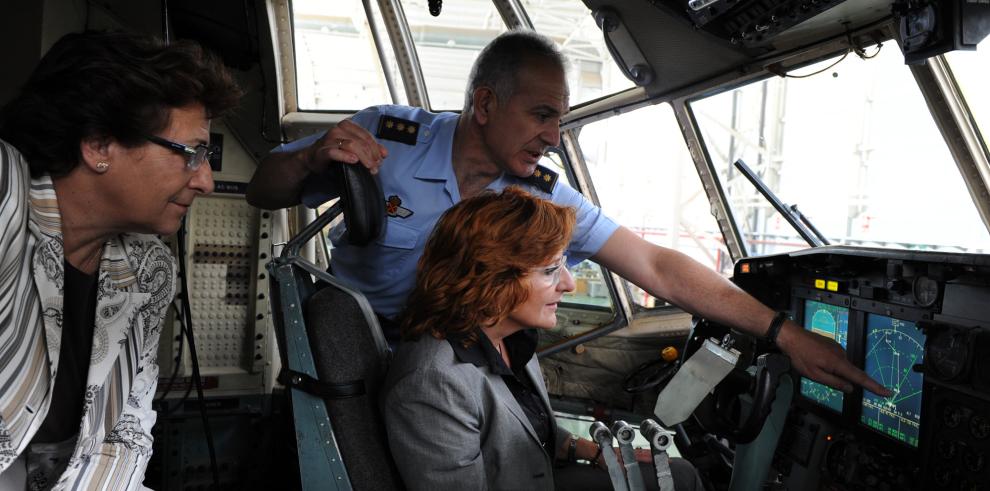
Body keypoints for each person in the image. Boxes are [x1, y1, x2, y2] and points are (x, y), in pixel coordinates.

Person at [247, 30, 889, 397]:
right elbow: (263, 192)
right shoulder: (387, 141)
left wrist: (782, 333)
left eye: (561, 119)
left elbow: (657, 267)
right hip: (351, 357)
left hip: (449, 368)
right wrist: (308, 163)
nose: (554, 137)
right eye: (542, 115)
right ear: (485, 104)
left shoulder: (543, 196)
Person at [0, 31, 241, 489]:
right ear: (98, 146)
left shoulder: (148, 270)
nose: (206, 181)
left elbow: (121, 437)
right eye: (191, 154)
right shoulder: (7, 195)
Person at [382, 187, 703, 490]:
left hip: (539, 474)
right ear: (492, 279)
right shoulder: (433, 384)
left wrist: (593, 451)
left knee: (681, 475)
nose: (568, 283)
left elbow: (523, 425)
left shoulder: (510, 338)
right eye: (550, 270)